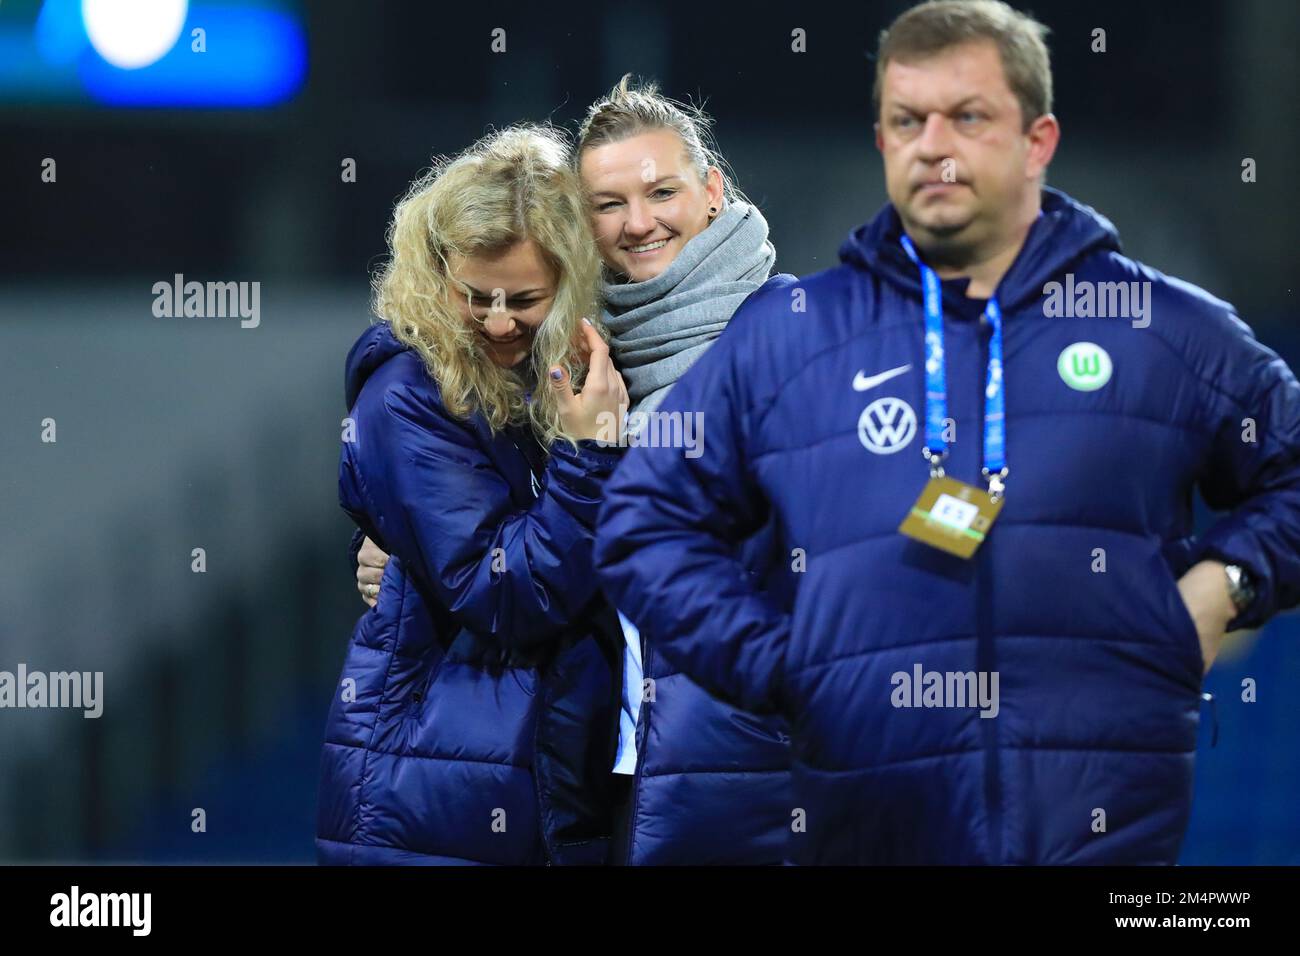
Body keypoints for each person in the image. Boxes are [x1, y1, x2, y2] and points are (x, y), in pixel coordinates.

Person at [593, 0, 1300, 865]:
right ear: (884, 140)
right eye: (906, 120)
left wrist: (1221, 587)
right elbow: (641, 526)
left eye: (967, 116)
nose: (933, 143)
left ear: (1038, 140)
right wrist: (786, 672)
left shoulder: (1158, 327)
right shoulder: (796, 336)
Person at [356, 76, 796, 865]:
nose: (639, 223)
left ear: (712, 191)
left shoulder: (799, 337)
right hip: (616, 775)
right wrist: (409, 556)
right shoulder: (577, 365)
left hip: (761, 774)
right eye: (608, 204)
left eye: (662, 190)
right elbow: (515, 555)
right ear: (579, 230)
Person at [317, 124, 630, 865]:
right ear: (438, 270)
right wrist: (587, 454)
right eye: (475, 296)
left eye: (525, 298)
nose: (497, 321)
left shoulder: (558, 376)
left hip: (523, 775)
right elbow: (509, 594)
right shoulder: (406, 394)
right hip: (433, 795)